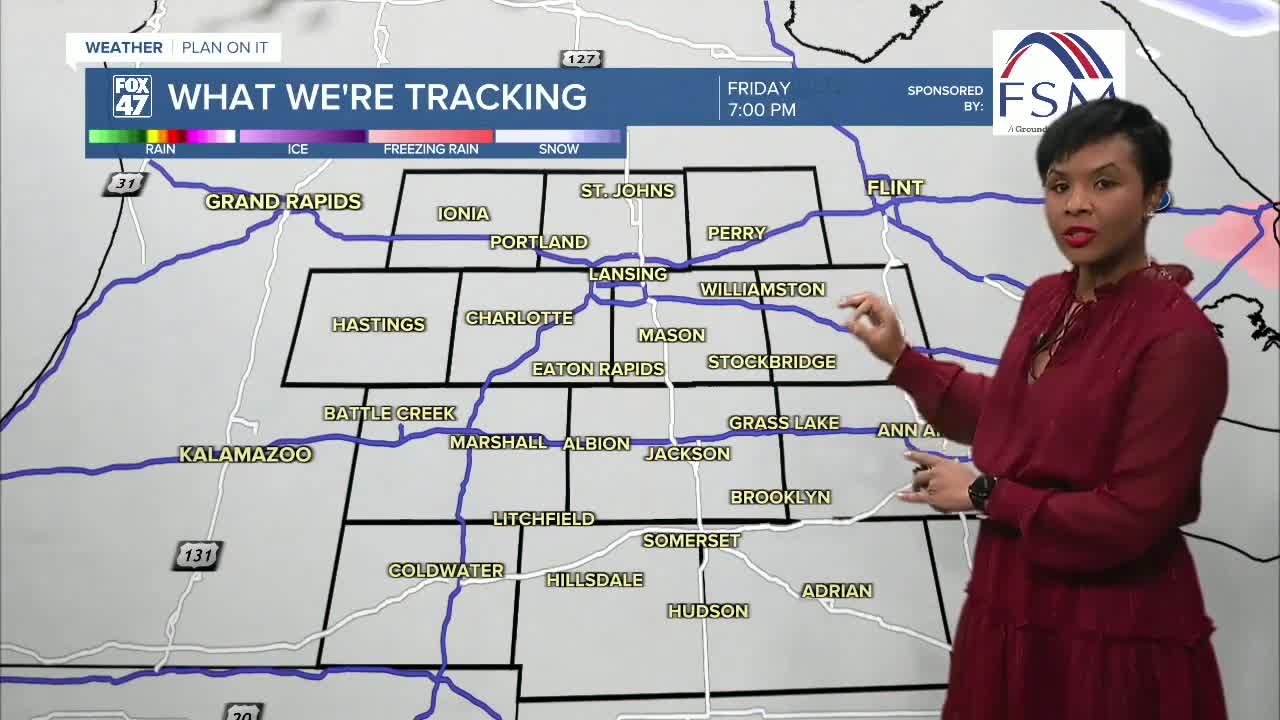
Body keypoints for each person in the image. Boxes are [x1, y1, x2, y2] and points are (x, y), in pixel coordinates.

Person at [840, 97, 1230, 719]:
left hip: (1109, 631)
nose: (1076, 204)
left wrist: (984, 493)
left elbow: (1131, 518)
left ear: (1154, 196)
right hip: (1011, 605)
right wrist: (902, 358)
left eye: (1105, 183)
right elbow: (1015, 417)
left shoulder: (1178, 341)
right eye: (1059, 185)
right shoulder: (1047, 298)